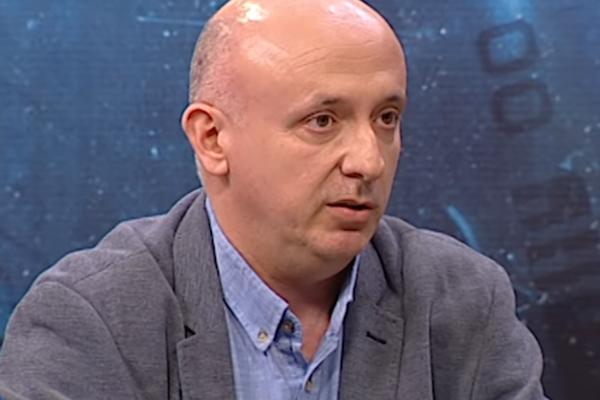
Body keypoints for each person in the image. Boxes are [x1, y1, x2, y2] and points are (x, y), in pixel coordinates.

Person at [0, 0, 548, 399]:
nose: (369, 161)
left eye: (386, 118)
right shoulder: (93, 320)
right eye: (322, 120)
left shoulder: (461, 302)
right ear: (213, 139)